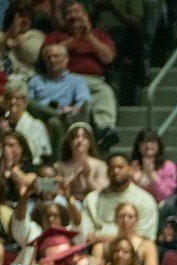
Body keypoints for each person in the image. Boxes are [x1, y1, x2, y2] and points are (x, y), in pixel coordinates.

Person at [44, 0, 118, 136]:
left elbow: (108, 57)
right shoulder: (57, 36)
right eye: (69, 13)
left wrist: (89, 36)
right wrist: (74, 39)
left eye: (77, 12)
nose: (73, 16)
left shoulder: (99, 35)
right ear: (64, 18)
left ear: (85, 14)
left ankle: (105, 130)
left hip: (93, 82)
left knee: (105, 91)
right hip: (65, 81)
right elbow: (47, 53)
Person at [81, 152, 158, 240]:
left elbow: (145, 237)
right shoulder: (92, 199)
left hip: (132, 249)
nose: (116, 171)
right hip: (96, 247)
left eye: (120, 167)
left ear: (130, 169)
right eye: (112, 168)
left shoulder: (145, 200)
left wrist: (113, 240)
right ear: (107, 171)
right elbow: (85, 232)